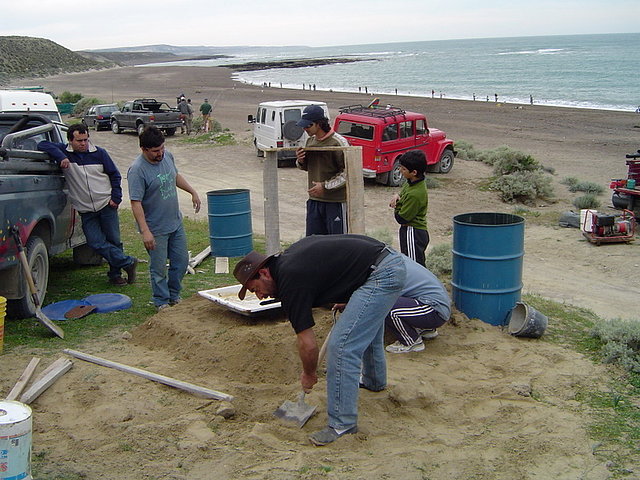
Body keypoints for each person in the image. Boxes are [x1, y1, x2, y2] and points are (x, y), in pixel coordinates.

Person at [233, 234, 406, 446]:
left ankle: (342, 424)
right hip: (381, 263)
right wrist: (350, 293)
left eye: (255, 288)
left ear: (263, 272)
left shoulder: (290, 281)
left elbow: (308, 344)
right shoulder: (289, 261)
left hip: (381, 273)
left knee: (342, 346)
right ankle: (374, 381)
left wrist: (309, 373)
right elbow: (334, 265)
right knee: (363, 327)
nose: (259, 296)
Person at [37, 124, 137, 286]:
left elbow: (115, 175)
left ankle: (115, 275)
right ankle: (128, 262)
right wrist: (60, 157)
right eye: (79, 141)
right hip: (85, 209)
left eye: (85, 140)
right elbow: (42, 144)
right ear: (70, 140)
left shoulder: (100, 153)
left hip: (106, 204)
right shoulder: (64, 151)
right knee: (94, 241)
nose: (83, 144)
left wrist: (116, 198)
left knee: (114, 240)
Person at [127, 126, 201, 311]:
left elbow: (174, 176)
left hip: (174, 222)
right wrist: (145, 232)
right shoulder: (137, 171)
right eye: (155, 151)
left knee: (181, 261)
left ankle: (174, 295)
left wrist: (192, 191)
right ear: (144, 149)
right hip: (155, 228)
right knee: (158, 268)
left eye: (162, 149)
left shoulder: (168, 156)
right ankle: (161, 301)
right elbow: (136, 203)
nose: (160, 154)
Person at [295, 104, 349, 235]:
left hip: (335, 202)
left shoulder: (338, 142)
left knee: (337, 243)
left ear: (319, 124)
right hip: (314, 201)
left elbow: (348, 174)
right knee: (313, 242)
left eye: (308, 125)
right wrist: (300, 161)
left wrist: (324, 186)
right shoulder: (309, 142)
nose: (305, 129)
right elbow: (307, 167)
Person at [384, 263, 451, 353]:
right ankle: (425, 329)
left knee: (385, 304)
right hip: (437, 306)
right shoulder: (394, 260)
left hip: (434, 310)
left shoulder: (386, 269)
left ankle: (411, 342)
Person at [389, 150, 430, 267]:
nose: (400, 171)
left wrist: (396, 205)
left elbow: (401, 218)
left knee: (414, 266)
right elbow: (402, 195)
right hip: (409, 231)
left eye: (403, 169)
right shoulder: (411, 182)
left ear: (414, 172)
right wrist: (397, 196)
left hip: (413, 232)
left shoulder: (416, 194)